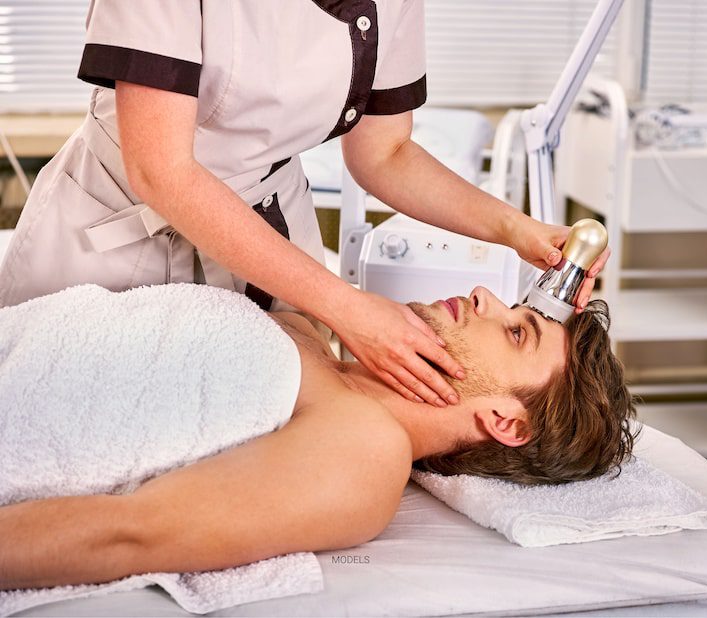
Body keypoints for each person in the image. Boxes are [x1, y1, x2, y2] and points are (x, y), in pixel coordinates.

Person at [0, 1, 609, 409]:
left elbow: (385, 154)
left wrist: (515, 228)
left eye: (517, 331)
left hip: (269, 238)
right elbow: (162, 170)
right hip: (119, 229)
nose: (485, 300)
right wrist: (346, 309)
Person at [0, 284, 636, 590]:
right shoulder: (324, 352)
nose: (484, 295)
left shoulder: (368, 452)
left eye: (514, 332)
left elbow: (132, 531)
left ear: (505, 421)